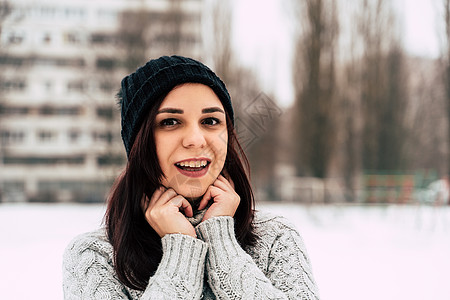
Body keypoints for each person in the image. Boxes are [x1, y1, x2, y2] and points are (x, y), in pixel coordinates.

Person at [62, 55, 320, 299]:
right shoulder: (95, 256)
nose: (196, 140)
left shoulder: (274, 236)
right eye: (170, 122)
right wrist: (181, 251)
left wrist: (222, 243)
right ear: (138, 142)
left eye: (210, 121)